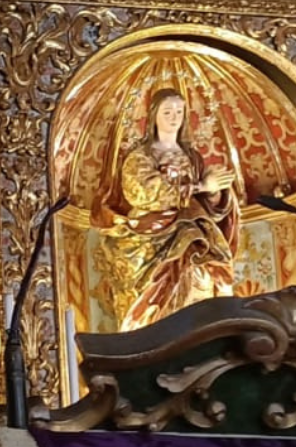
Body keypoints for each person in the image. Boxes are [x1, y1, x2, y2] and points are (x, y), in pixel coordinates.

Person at [97, 88, 241, 330]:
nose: (174, 117)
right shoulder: (140, 156)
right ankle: (155, 336)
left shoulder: (192, 157)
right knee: (158, 291)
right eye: (167, 112)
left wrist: (216, 192)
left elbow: (208, 202)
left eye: (179, 111)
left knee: (202, 274)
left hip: (194, 229)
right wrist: (199, 186)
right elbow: (142, 192)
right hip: (154, 233)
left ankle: (201, 334)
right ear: (154, 116)